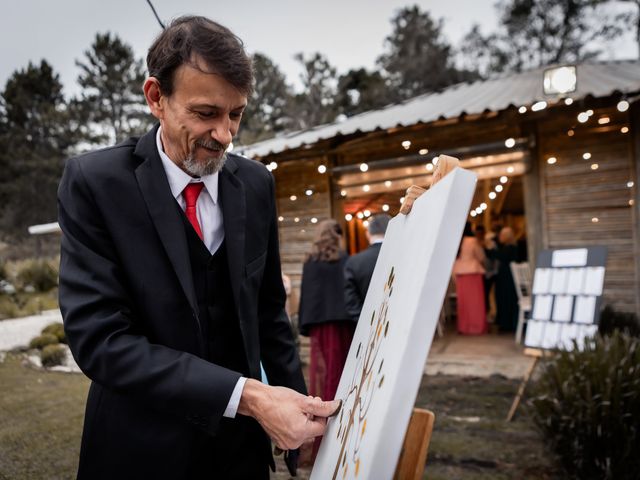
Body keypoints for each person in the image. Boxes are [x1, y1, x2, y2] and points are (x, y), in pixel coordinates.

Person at [57, 16, 338, 480]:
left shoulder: (255, 184)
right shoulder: (95, 184)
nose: (225, 134)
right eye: (207, 113)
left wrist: (300, 419)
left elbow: (269, 316)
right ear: (156, 98)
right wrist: (251, 397)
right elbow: (101, 341)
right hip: (138, 452)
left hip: (241, 459)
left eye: (236, 114)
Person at [298, 220, 354, 402]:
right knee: (339, 364)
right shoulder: (343, 258)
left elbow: (307, 292)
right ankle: (338, 403)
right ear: (336, 235)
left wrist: (304, 322)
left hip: (318, 322)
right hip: (341, 322)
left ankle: (324, 405)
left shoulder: (310, 261)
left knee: (323, 367)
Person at [344, 213, 391, 321]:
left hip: (368, 326)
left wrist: (365, 323)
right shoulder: (404, 255)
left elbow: (352, 303)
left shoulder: (354, 262)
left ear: (368, 234)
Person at [452, 222, 487, 334]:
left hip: (460, 273)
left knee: (464, 302)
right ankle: (476, 327)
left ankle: (464, 327)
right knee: (476, 302)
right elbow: (481, 256)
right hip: (473, 272)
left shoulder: (456, 240)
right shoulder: (471, 240)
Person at [489, 226, 520, 332]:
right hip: (506, 277)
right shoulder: (509, 246)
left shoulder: (510, 247)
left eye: (502, 235)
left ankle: (506, 324)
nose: (500, 237)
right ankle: (506, 322)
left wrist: (492, 249)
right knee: (504, 299)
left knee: (505, 299)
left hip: (507, 279)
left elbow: (501, 257)